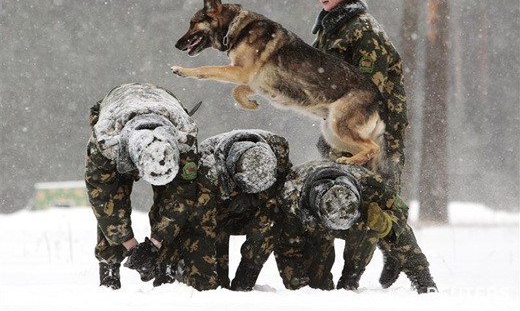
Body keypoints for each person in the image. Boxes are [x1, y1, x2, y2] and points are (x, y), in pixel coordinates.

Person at [309, 0, 437, 292]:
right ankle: (361, 270)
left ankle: (420, 277)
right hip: (345, 131)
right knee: (347, 197)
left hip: (374, 132)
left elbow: (368, 92)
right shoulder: (330, 25)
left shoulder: (362, 29)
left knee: (379, 205)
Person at [84, 82, 218, 290]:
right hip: (118, 109)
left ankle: (165, 264)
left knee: (174, 203)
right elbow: (103, 200)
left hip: (163, 105)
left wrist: (156, 242)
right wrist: (130, 246)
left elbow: (181, 196)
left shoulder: (185, 138)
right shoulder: (106, 143)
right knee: (113, 204)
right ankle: (109, 267)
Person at [274, 160, 409, 291]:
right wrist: (296, 282)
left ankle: (351, 279)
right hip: (315, 227)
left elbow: (401, 210)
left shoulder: (371, 185)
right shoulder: (292, 198)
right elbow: (287, 248)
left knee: (375, 226)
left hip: (358, 224)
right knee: (315, 286)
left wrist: (385, 224)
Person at [199, 129, 291, 291]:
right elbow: (201, 218)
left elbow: (285, 192)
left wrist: (254, 198)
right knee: (213, 283)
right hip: (217, 216)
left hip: (255, 214)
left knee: (274, 214)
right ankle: (216, 283)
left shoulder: (279, 151)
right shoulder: (207, 160)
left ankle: (244, 282)